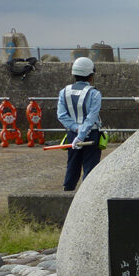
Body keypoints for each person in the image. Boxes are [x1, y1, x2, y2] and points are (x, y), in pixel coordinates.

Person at [57, 57, 102, 191]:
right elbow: (91, 117)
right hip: (91, 135)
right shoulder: (94, 93)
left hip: (72, 134)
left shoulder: (63, 92)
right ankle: (87, 194)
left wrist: (76, 130)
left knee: (72, 163)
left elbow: (61, 115)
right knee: (90, 166)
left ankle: (67, 191)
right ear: (90, 75)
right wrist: (82, 134)